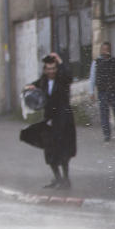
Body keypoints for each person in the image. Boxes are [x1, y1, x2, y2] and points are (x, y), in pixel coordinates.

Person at [21, 53, 76, 189]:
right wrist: (28, 87)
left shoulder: (62, 80)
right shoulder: (43, 81)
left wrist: (60, 60)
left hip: (64, 120)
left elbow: (69, 76)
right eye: (48, 69)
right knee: (50, 150)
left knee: (63, 151)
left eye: (53, 68)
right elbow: (32, 87)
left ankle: (66, 179)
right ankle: (57, 178)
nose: (51, 71)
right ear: (45, 70)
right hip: (49, 120)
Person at [90, 42, 115, 142]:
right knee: (104, 114)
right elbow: (92, 77)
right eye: (104, 49)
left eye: (107, 49)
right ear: (101, 50)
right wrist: (91, 91)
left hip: (114, 91)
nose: (106, 51)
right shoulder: (96, 62)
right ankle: (107, 134)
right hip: (102, 92)